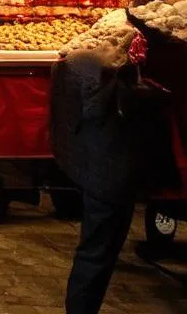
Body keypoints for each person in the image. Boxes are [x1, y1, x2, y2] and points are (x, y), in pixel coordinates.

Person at [52, 42, 174, 314]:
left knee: (97, 251)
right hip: (111, 177)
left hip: (99, 172)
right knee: (97, 252)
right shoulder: (129, 98)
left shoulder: (85, 76)